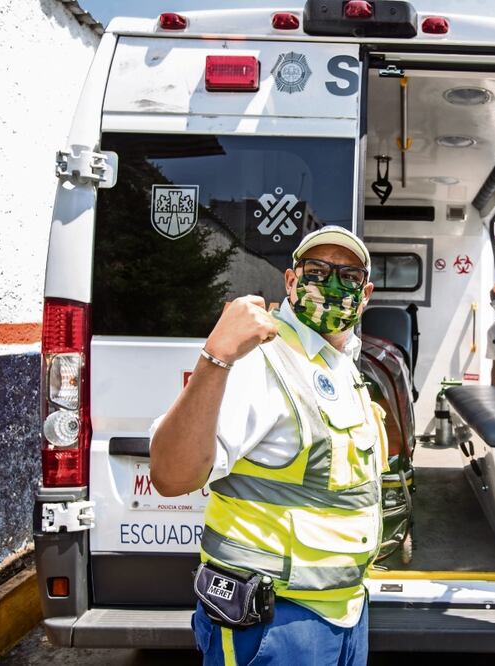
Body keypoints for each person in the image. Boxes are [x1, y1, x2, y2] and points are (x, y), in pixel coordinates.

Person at [149, 226, 388, 666]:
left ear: (366, 292)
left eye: (349, 277)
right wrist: (216, 354)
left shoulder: (346, 367)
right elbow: (171, 476)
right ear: (292, 282)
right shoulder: (260, 359)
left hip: (346, 614)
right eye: (317, 271)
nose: (332, 285)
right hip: (272, 623)